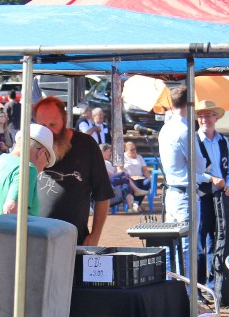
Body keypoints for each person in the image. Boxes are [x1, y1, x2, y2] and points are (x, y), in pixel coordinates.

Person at [34, 95, 113, 245]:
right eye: (42, 126)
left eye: (53, 124)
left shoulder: (86, 145)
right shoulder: (31, 146)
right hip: (36, 240)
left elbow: (102, 195)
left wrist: (95, 235)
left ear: (64, 120)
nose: (48, 131)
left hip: (74, 242)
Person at [159, 86, 212, 270]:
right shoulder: (184, 130)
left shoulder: (166, 128)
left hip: (172, 191)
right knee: (186, 247)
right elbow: (200, 165)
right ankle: (188, 294)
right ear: (190, 104)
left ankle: (171, 286)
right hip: (185, 194)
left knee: (170, 246)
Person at [196, 100, 229, 280]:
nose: (205, 119)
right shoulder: (194, 140)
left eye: (209, 115)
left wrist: (228, 184)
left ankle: (215, 283)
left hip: (220, 196)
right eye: (202, 115)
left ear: (216, 117)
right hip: (202, 195)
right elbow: (192, 172)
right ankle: (199, 284)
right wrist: (211, 179)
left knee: (217, 239)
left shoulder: (223, 141)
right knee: (199, 242)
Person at [101, 143, 137, 211]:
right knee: (124, 175)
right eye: (109, 151)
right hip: (104, 182)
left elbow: (115, 172)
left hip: (113, 182)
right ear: (103, 151)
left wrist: (118, 169)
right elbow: (106, 174)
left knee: (125, 183)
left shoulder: (108, 162)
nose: (110, 153)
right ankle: (135, 193)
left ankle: (130, 207)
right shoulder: (98, 161)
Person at [122, 140, 151, 211]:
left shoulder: (139, 157)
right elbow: (120, 170)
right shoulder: (123, 157)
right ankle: (136, 205)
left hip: (140, 178)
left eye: (134, 149)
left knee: (147, 183)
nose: (134, 151)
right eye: (131, 150)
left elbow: (145, 170)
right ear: (126, 150)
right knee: (135, 185)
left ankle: (136, 204)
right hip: (130, 179)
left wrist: (149, 177)